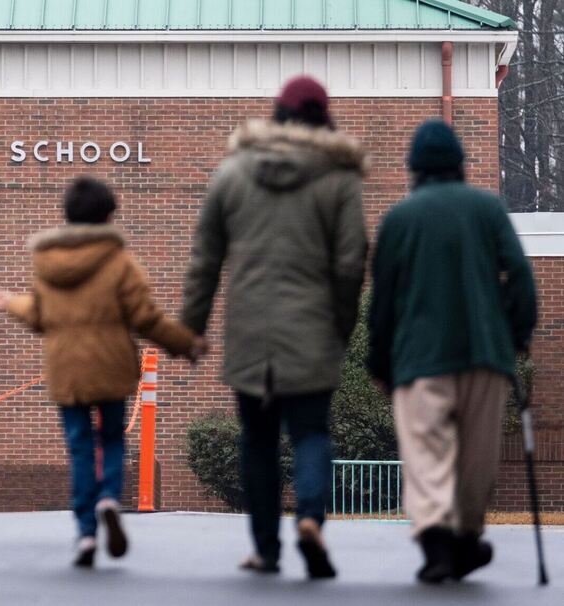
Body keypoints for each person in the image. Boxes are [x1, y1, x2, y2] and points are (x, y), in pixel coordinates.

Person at [180, 76, 368, 579]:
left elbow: (205, 259)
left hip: (250, 333)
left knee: (257, 440)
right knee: (310, 432)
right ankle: (309, 518)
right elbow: (351, 262)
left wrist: (192, 328)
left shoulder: (234, 172)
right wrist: (342, 324)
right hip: (313, 329)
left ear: (277, 115)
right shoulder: (339, 179)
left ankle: (266, 549)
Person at [0, 176, 203, 568]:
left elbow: (39, 315)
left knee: (79, 447)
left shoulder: (47, 262)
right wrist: (184, 343)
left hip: (66, 368)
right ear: (108, 216)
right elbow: (145, 317)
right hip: (110, 365)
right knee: (112, 439)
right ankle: (108, 499)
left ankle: (86, 531)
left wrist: (11, 303)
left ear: (67, 215)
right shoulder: (119, 261)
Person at [367, 119, 537, 584]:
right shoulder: (488, 209)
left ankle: (437, 542)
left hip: (420, 360)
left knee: (426, 452)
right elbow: (521, 276)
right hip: (485, 355)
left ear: (415, 169)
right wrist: (517, 335)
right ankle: (465, 537)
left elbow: (383, 302)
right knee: (476, 457)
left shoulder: (399, 219)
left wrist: (380, 361)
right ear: (460, 164)